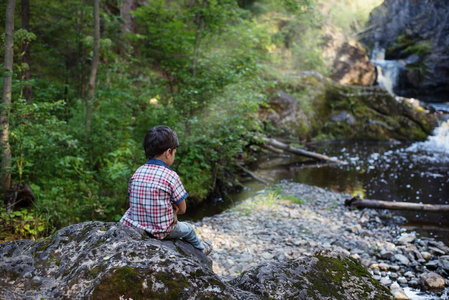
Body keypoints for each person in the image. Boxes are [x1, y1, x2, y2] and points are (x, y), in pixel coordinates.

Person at [120, 125, 212, 255]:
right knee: (188, 229)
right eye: (174, 152)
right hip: (161, 230)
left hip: (135, 226)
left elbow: (135, 199)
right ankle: (202, 250)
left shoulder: (138, 172)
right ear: (168, 152)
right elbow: (183, 209)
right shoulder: (171, 176)